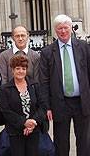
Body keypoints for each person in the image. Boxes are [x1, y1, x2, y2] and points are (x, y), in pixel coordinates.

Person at [39, 14, 90, 156]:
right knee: (61, 142)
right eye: (60, 28)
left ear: (71, 28)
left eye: (65, 28)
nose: (63, 31)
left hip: (82, 102)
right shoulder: (47, 52)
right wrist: (47, 106)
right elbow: (44, 82)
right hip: (60, 103)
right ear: (55, 30)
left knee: (84, 141)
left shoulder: (84, 47)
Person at [0, 54, 46, 156]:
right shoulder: (5, 89)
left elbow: (42, 106)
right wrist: (24, 122)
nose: (21, 71)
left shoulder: (34, 85)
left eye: (23, 68)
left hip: (34, 130)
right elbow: (5, 111)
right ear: (12, 70)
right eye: (18, 68)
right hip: (15, 132)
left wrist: (33, 122)